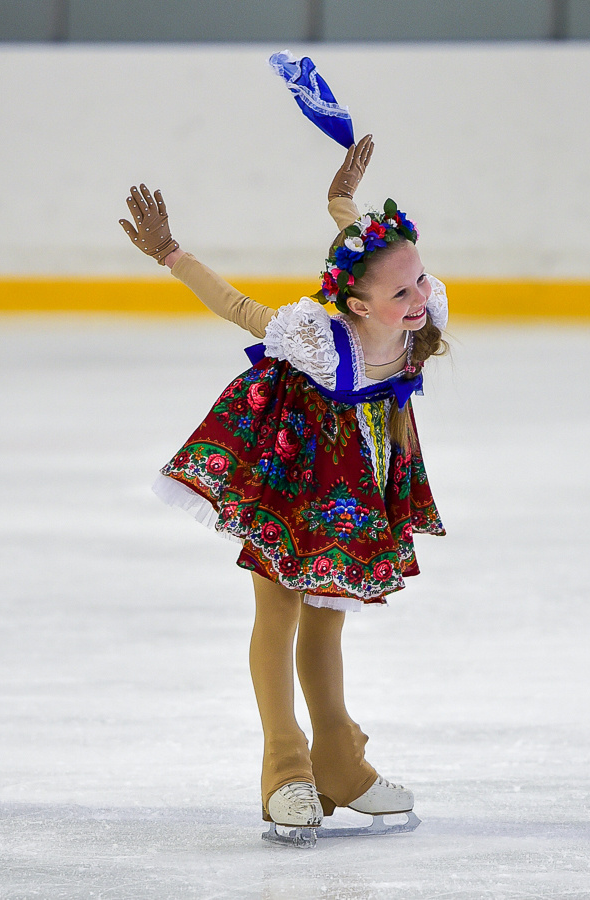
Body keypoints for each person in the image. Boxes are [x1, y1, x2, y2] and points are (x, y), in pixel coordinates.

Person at [119, 136, 449, 836]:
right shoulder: (314, 334)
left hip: (362, 472)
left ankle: (339, 763)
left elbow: (366, 254)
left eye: (419, 279)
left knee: (328, 611)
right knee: (278, 611)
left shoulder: (416, 308)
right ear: (355, 305)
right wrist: (173, 256)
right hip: (290, 463)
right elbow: (238, 308)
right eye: (402, 291)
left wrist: (341, 206)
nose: (421, 296)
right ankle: (284, 766)